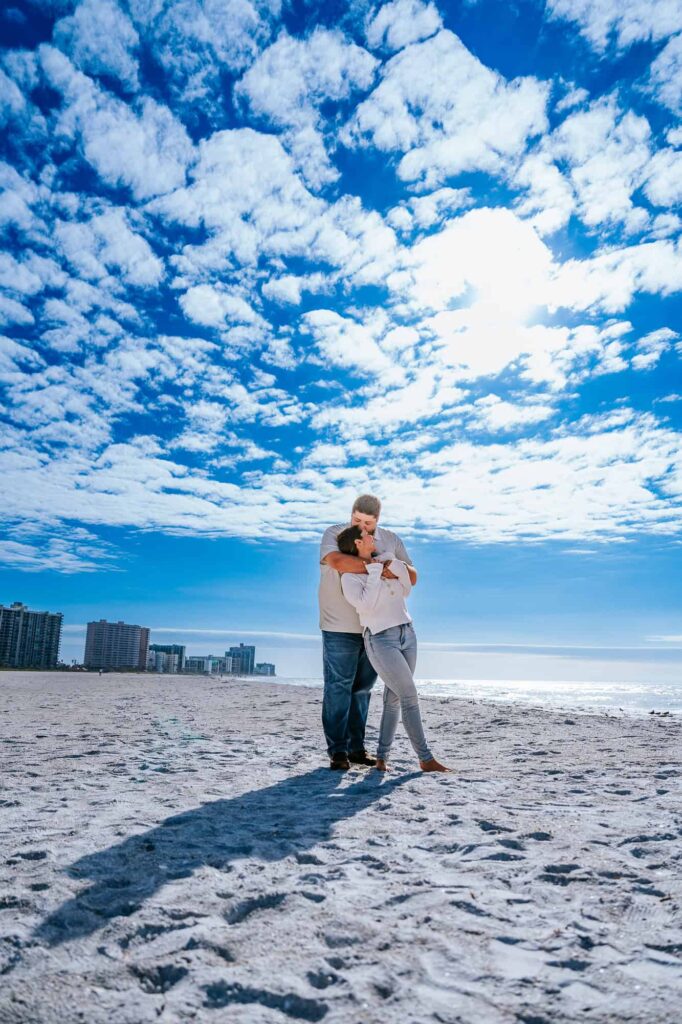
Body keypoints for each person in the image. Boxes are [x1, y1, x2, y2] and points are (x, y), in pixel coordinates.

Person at [337, 525, 449, 774]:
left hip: (407, 633)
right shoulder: (349, 577)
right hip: (379, 638)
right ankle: (425, 759)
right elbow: (366, 604)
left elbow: (406, 589)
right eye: (366, 535)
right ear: (357, 543)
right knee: (409, 695)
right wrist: (377, 573)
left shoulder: (385, 561)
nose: (371, 537)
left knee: (394, 698)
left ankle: (381, 758)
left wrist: (394, 567)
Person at [319, 495, 417, 771]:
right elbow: (338, 562)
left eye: (368, 523)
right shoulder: (335, 533)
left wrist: (393, 568)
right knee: (338, 687)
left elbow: (412, 576)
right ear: (351, 514)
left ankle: (356, 749)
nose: (361, 526)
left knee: (362, 689)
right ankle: (337, 751)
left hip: (377, 628)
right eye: (357, 520)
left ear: (378, 521)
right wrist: (380, 567)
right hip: (338, 624)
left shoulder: (390, 539)